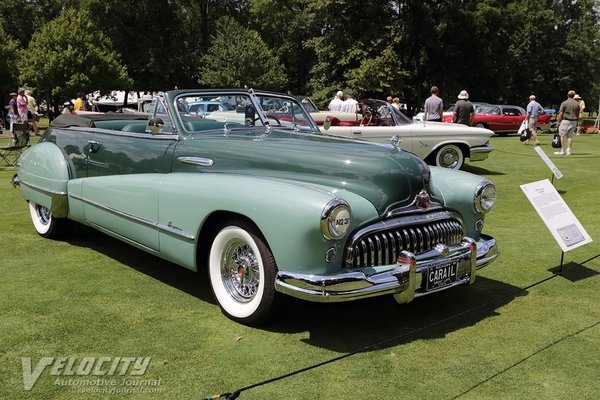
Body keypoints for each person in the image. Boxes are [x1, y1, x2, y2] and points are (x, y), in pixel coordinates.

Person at [554, 90, 579, 156]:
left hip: (566, 121)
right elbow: (578, 114)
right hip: (574, 121)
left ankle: (561, 150)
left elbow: (561, 113)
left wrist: (558, 122)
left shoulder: (564, 103)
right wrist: (577, 122)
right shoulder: (577, 104)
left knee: (562, 135)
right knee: (570, 136)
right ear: (573, 96)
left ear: (567, 95)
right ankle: (568, 151)